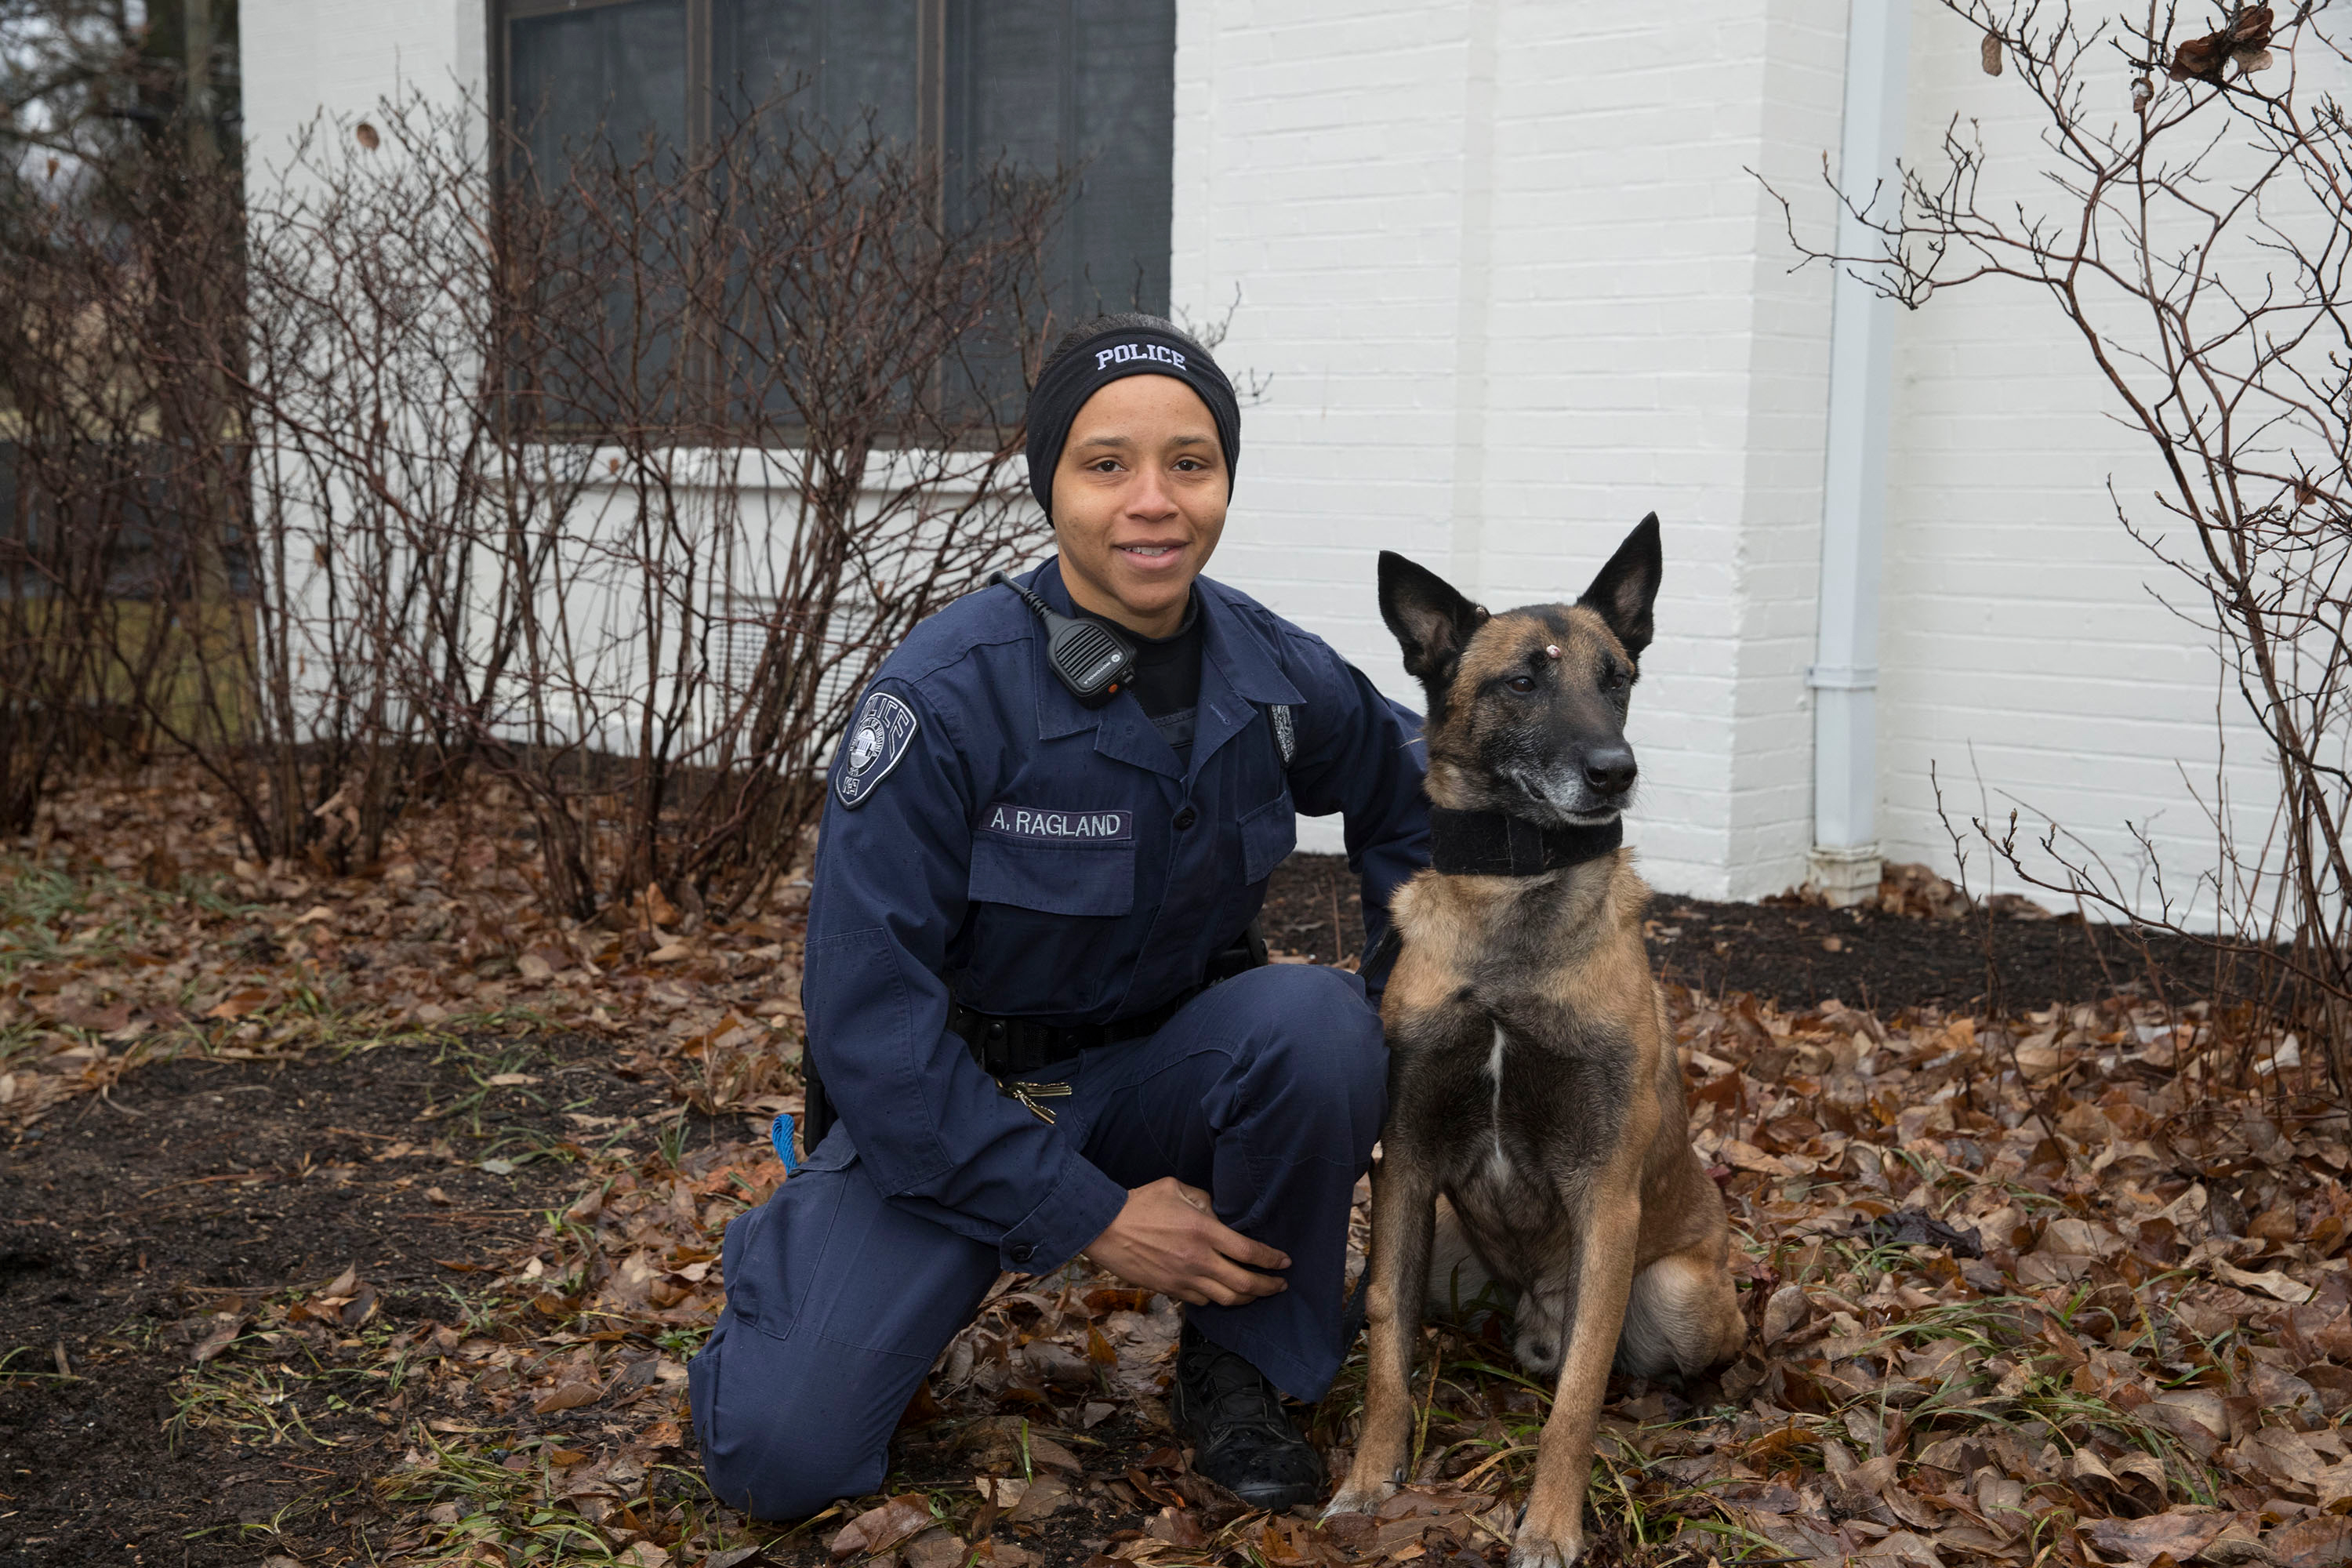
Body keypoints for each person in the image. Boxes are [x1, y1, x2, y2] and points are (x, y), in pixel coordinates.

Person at [688, 313, 1428, 1517]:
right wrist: (1094, 1218)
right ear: (1050, 488)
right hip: (950, 1119)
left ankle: (1241, 1369)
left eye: (1190, 463)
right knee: (780, 1461)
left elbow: (1416, 788)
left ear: (1225, 480)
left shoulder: (1271, 669)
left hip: (1162, 1079)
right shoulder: (944, 695)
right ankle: (798, 1281)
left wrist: (1413, 987)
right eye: (1106, 464)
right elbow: (870, 1029)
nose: (1154, 501)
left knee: (1318, 1025)